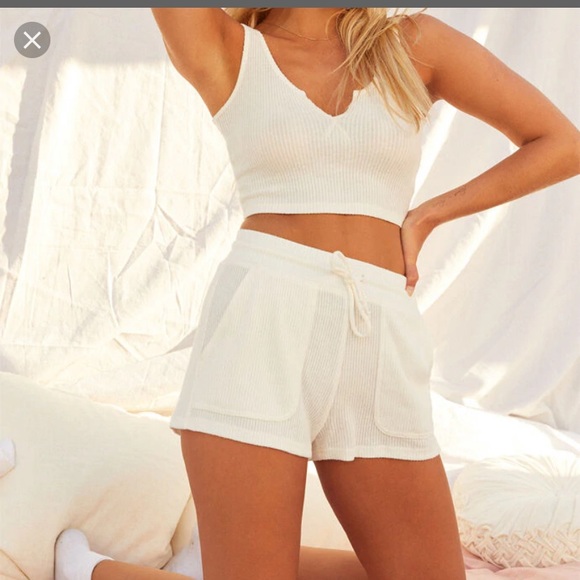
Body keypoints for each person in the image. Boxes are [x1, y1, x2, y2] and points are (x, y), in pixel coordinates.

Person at [54, 7, 580, 580]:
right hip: (260, 330)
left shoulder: (412, 44)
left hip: (378, 339)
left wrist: (429, 215)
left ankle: (204, 565)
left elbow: (561, 142)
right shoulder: (229, 48)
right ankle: (94, 573)